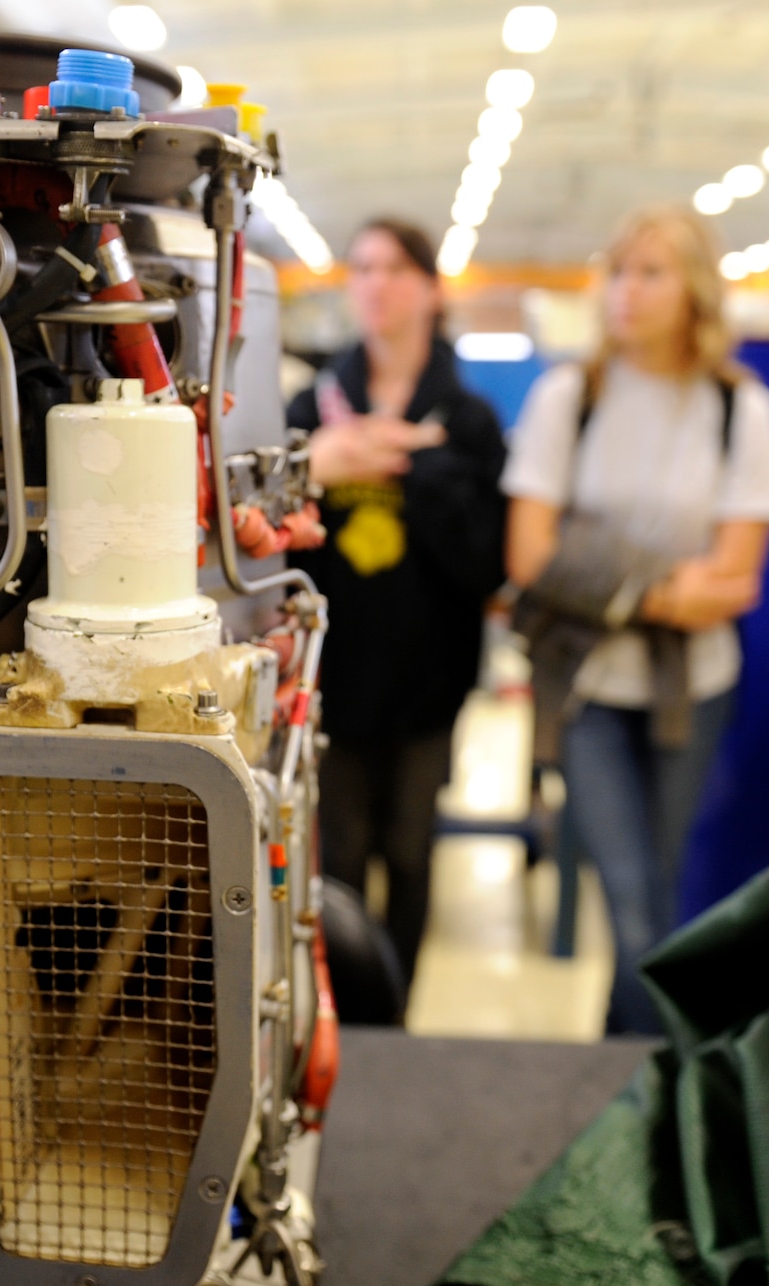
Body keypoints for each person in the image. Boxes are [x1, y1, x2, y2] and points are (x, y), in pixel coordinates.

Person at [504, 205, 769, 1033]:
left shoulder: (742, 410)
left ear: (695, 288)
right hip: (588, 682)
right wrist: (663, 592)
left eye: (651, 272)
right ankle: (649, 1074)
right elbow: (529, 555)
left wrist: (599, 572)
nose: (626, 292)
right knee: (631, 899)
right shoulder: (572, 397)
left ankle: (622, 1059)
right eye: (618, 271)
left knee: (661, 891)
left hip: (692, 687)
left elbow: (737, 579)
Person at [285, 218, 507, 989]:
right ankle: (349, 1016)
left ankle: (400, 1003)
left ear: (430, 289)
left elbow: (488, 563)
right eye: (364, 267)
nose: (376, 283)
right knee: (338, 857)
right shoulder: (309, 411)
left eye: (395, 268)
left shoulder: (468, 422)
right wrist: (317, 464)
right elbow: (267, 541)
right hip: (333, 676)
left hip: (428, 681)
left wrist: (417, 470)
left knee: (411, 853)